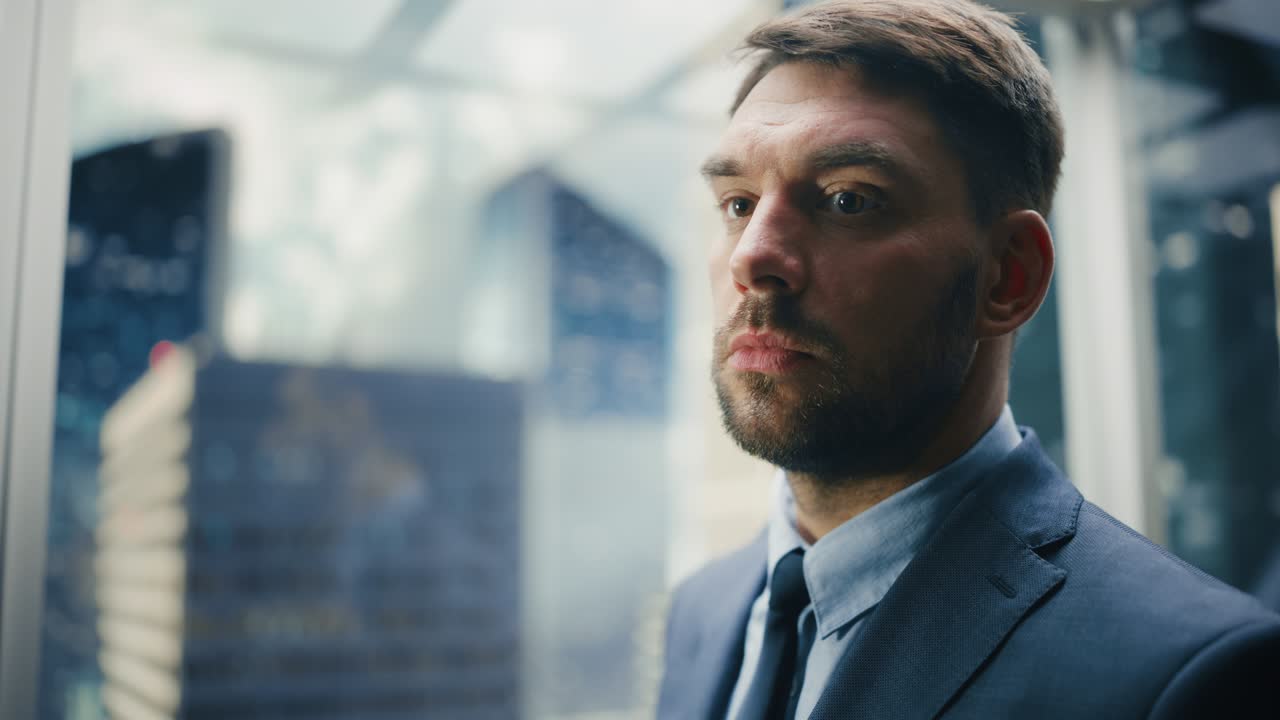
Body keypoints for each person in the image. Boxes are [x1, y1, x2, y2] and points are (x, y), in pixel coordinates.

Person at [657, 1, 1280, 718]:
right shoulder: (702, 614)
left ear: (1008, 276)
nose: (753, 255)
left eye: (848, 199)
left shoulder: (1191, 673)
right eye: (738, 204)